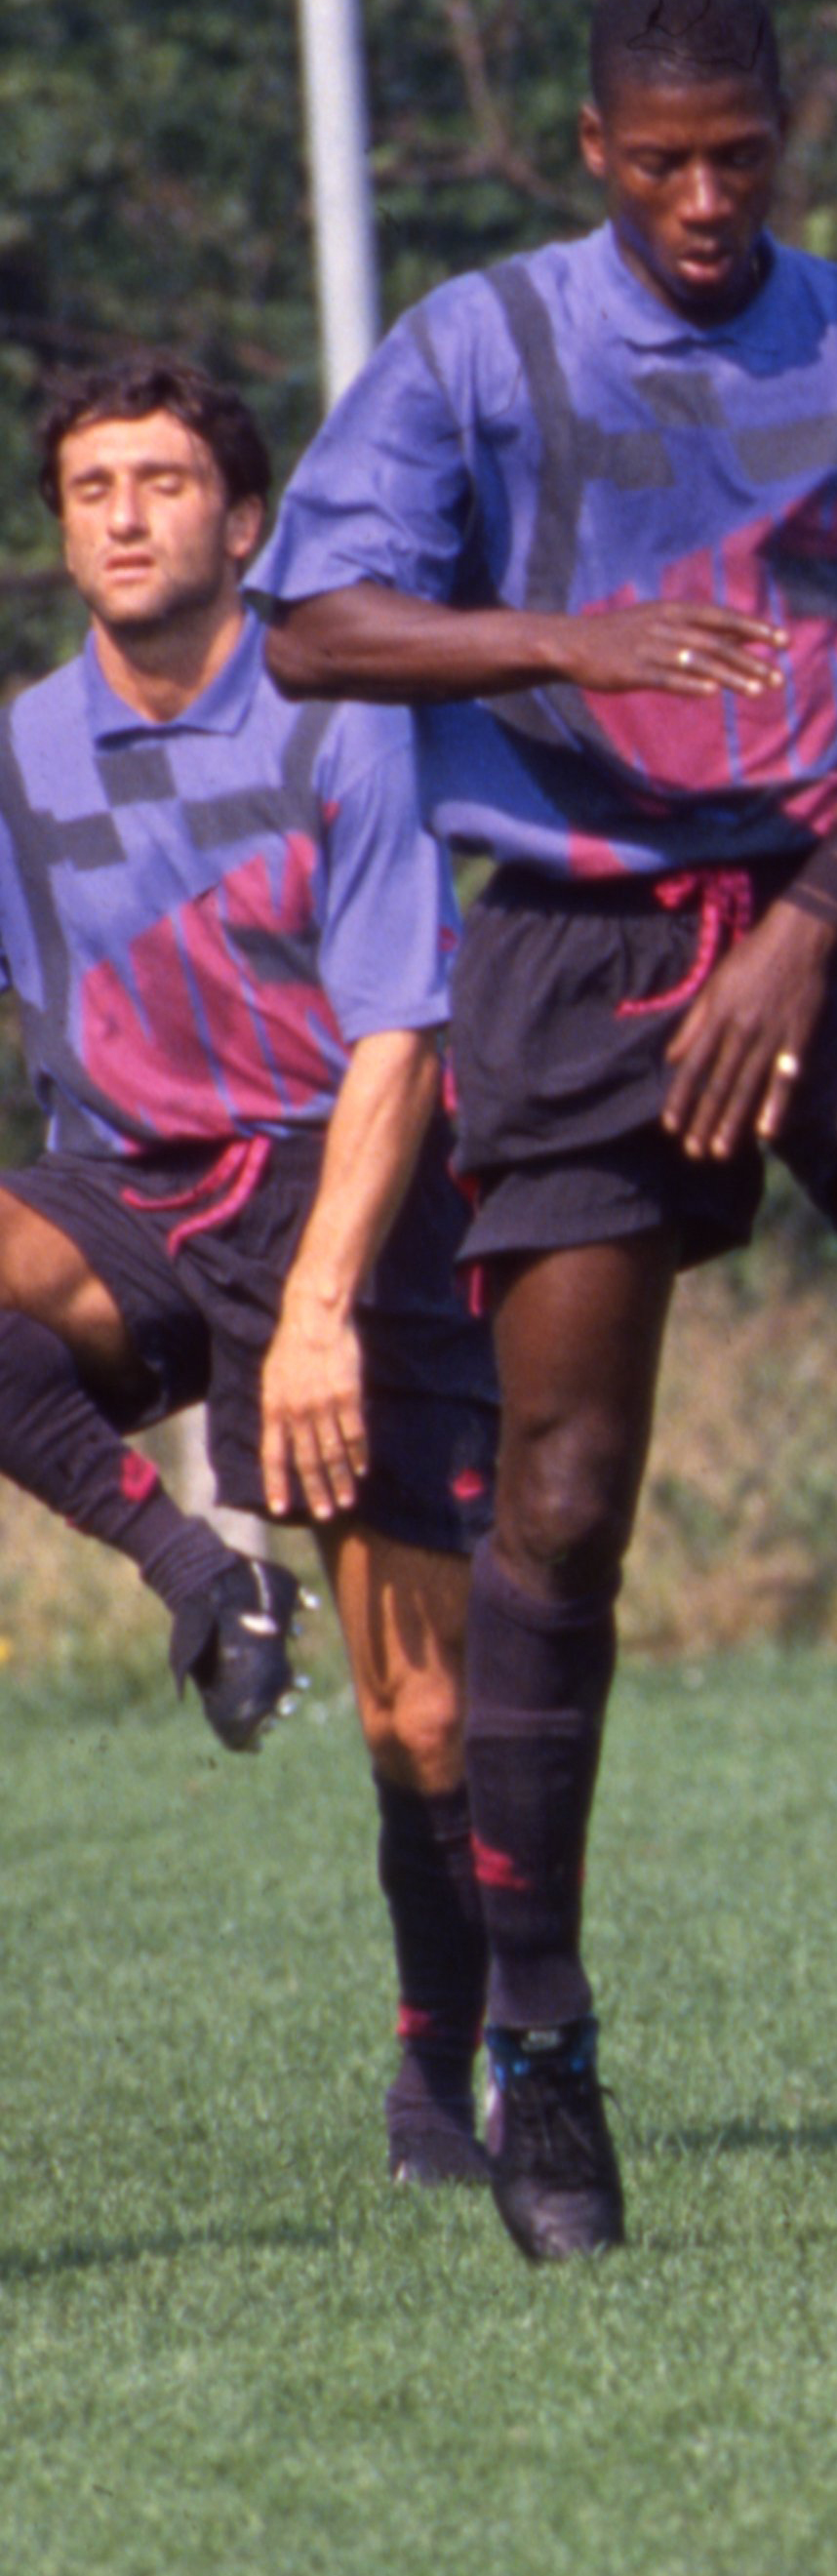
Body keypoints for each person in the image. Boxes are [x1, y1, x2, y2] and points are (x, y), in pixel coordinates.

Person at [257, 0, 837, 2264]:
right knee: (560, 1502)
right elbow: (313, 627)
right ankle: (541, 2046)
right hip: (571, 947)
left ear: (789, 128)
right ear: (590, 149)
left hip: (836, 904)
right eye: (656, 158)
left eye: (735, 155)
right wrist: (565, 640)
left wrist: (801, 927)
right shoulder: (481, 348)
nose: (697, 195)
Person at [0, 356, 502, 2188]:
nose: (124, 515)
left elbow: (400, 1043)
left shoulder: (339, 718)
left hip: (344, 1195)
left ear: (244, 517)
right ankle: (203, 1576)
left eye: (161, 481)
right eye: (89, 487)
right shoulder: (22, 749)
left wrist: (314, 1318)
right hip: (122, 1185)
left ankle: (449, 2066)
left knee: (424, 1716)